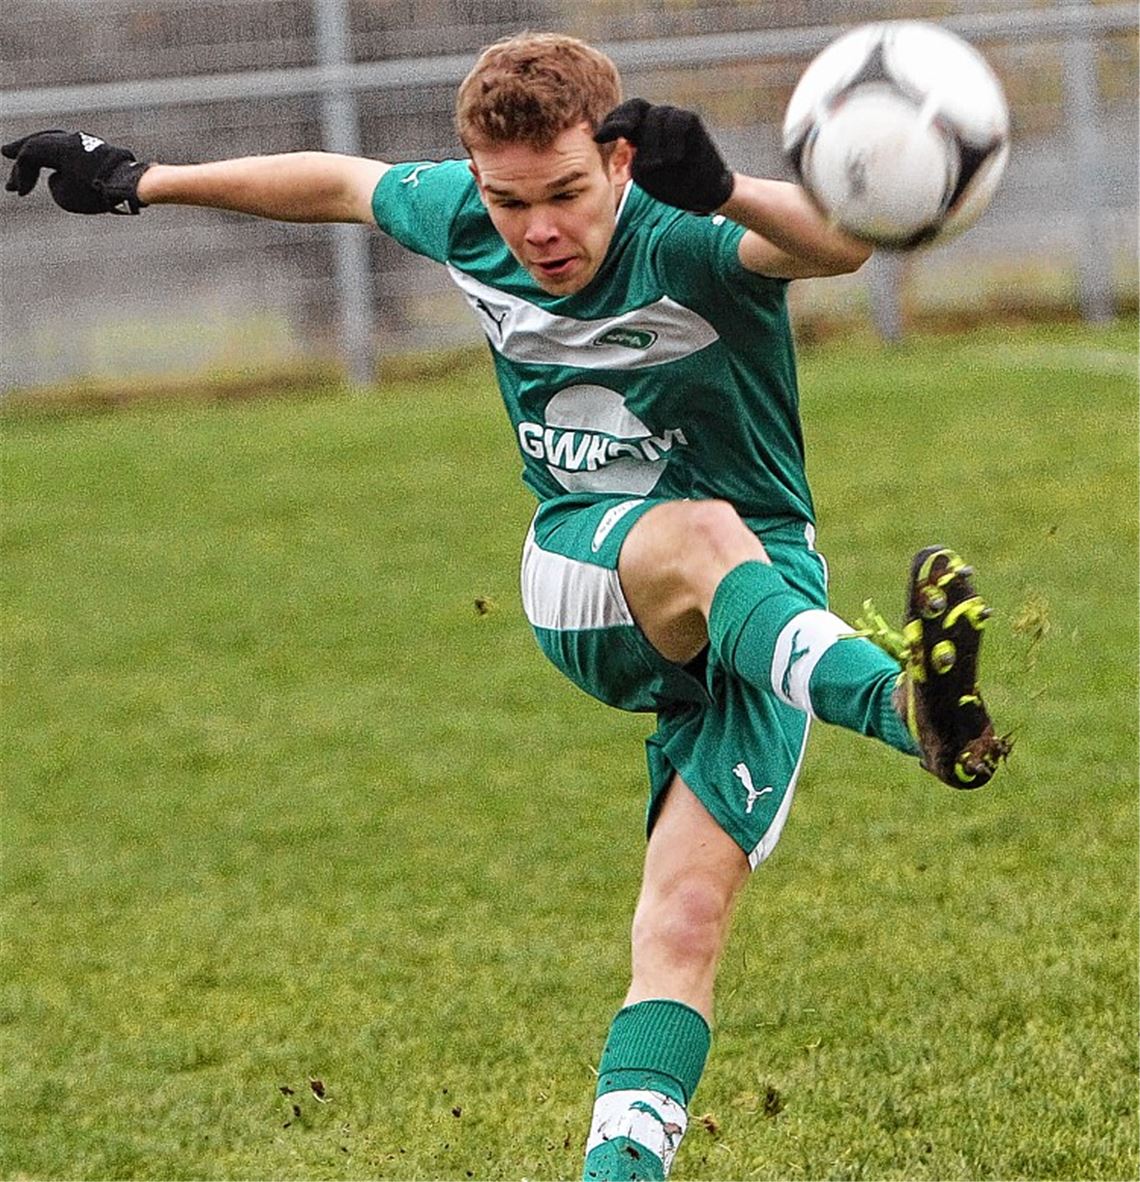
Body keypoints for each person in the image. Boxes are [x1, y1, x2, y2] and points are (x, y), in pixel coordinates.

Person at [3, 32, 1011, 1181]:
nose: (538, 230)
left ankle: (617, 1169)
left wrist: (724, 184)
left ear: (621, 164)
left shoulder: (684, 229)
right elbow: (337, 182)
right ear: (477, 180)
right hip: (583, 569)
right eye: (509, 198)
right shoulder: (468, 217)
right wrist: (140, 180)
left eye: (567, 194)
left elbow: (843, 242)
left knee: (680, 929)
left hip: (771, 613)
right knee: (700, 532)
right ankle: (902, 713)